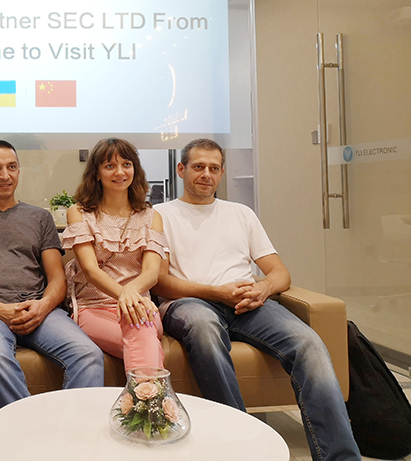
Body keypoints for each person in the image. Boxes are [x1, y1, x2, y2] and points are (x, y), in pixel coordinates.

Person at [153, 138, 360, 461]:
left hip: (248, 304)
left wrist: (262, 289)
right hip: (190, 303)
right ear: (181, 170)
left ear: (221, 173)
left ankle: (340, 457)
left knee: (308, 343)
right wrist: (216, 292)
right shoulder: (160, 215)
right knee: (204, 328)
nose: (206, 174)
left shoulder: (241, 214)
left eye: (214, 168)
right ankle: (243, 447)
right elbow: (161, 281)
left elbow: (279, 272)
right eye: (198, 167)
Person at [0, 140, 104, 410]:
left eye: (11, 167)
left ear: (19, 170)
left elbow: (57, 278)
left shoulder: (39, 217)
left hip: (37, 308)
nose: (5, 175)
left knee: (88, 354)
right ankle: (27, 429)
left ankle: (71, 430)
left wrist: (43, 306)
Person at [62, 138, 168, 370]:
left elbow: (152, 272)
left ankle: (144, 393)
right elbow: (90, 270)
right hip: (94, 307)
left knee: (139, 328)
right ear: (97, 174)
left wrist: (130, 295)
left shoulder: (151, 216)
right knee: (143, 338)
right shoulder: (79, 213)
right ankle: (151, 392)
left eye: (126, 164)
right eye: (110, 166)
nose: (120, 172)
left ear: (135, 170)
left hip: (140, 306)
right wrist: (125, 294)